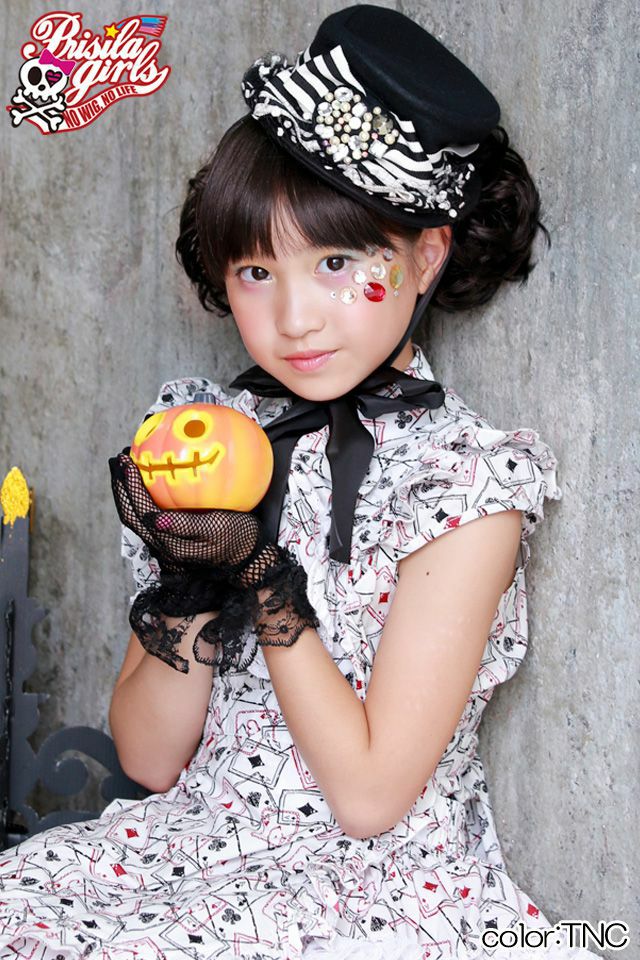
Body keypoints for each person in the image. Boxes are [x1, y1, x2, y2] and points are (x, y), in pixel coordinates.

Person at [0, 6, 602, 960]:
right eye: (255, 270)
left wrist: (266, 578)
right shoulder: (201, 429)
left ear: (427, 255)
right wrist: (193, 576)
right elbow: (150, 759)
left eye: (336, 263)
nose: (293, 318)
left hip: (371, 887)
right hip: (196, 854)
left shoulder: (464, 481)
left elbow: (367, 799)